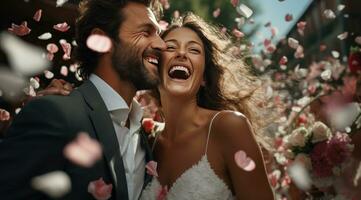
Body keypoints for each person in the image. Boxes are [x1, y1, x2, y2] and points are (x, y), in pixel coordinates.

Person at [0, 0, 166, 199]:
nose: (161, 45)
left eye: (159, 33)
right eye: (146, 32)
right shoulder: (52, 114)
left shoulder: (144, 138)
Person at [139, 13, 274, 199]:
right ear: (156, 68)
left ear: (203, 78)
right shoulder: (146, 140)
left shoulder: (229, 127)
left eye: (194, 50)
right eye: (170, 47)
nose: (181, 53)